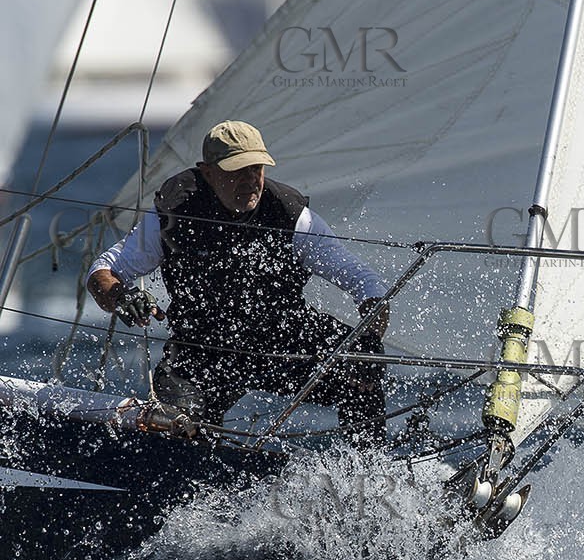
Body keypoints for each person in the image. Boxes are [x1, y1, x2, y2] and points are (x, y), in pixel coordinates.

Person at [87, 120, 389, 442]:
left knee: (363, 365)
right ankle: (202, 479)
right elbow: (102, 271)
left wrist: (369, 337)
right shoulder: (175, 210)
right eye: (237, 171)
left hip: (283, 338)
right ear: (207, 171)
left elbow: (366, 284)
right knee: (175, 424)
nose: (249, 182)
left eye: (256, 169)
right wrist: (121, 296)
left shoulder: (290, 214)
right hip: (206, 349)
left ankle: (369, 473)